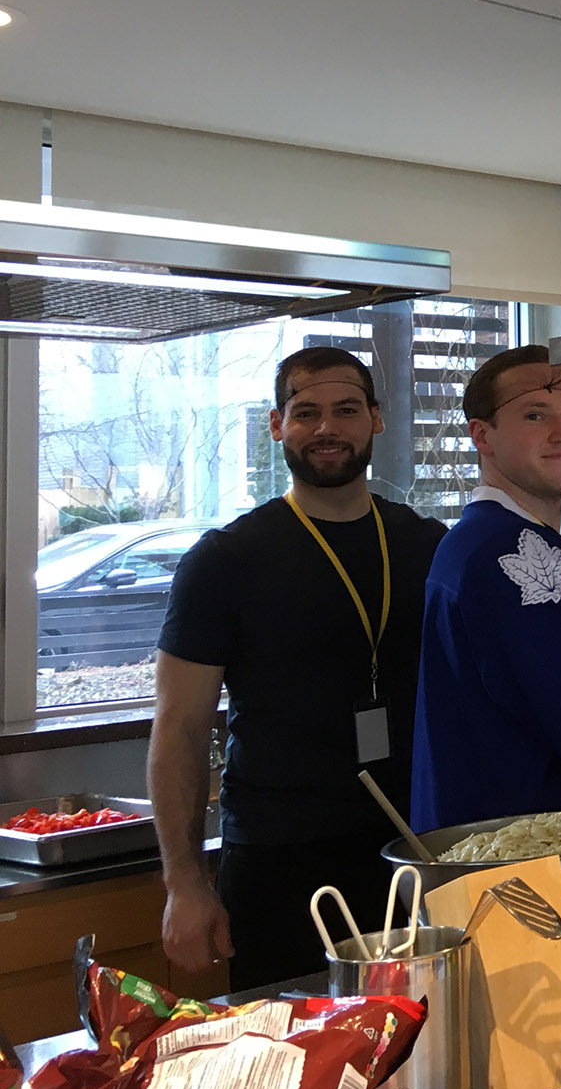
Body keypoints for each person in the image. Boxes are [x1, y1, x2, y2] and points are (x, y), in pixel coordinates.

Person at [151, 346, 447, 990]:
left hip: (412, 848)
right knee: (295, 1064)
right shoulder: (225, 560)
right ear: (276, 426)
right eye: (305, 412)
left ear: (377, 418)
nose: (326, 429)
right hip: (280, 858)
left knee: (429, 1053)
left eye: (346, 410)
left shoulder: (429, 544)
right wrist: (183, 882)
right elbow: (179, 726)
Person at [410, 346, 561, 830]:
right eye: (534, 414)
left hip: (489, 843)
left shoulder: (478, 539)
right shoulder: (517, 553)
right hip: (525, 859)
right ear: (482, 435)